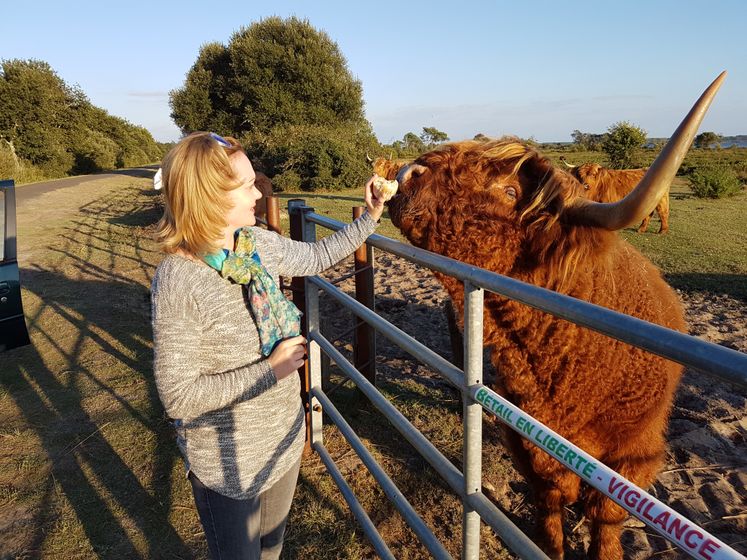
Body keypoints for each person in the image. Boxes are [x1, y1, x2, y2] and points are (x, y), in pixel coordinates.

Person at [150, 131, 384, 560]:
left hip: (284, 440)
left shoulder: (255, 245)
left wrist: (369, 215)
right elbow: (178, 396)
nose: (259, 191)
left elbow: (314, 258)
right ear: (210, 197)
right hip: (226, 466)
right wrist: (272, 370)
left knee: (272, 553)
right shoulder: (179, 278)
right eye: (246, 185)